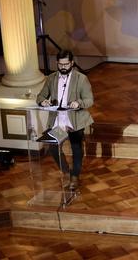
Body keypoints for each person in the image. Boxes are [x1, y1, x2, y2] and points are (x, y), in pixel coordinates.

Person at [36, 49, 94, 191]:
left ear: (72, 63)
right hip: (57, 121)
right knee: (53, 148)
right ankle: (67, 172)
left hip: (74, 120)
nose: (63, 67)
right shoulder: (51, 78)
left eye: (66, 64)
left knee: (76, 149)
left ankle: (75, 176)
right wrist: (43, 102)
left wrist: (78, 103)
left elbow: (89, 100)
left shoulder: (81, 78)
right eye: (60, 64)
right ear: (57, 63)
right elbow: (40, 96)